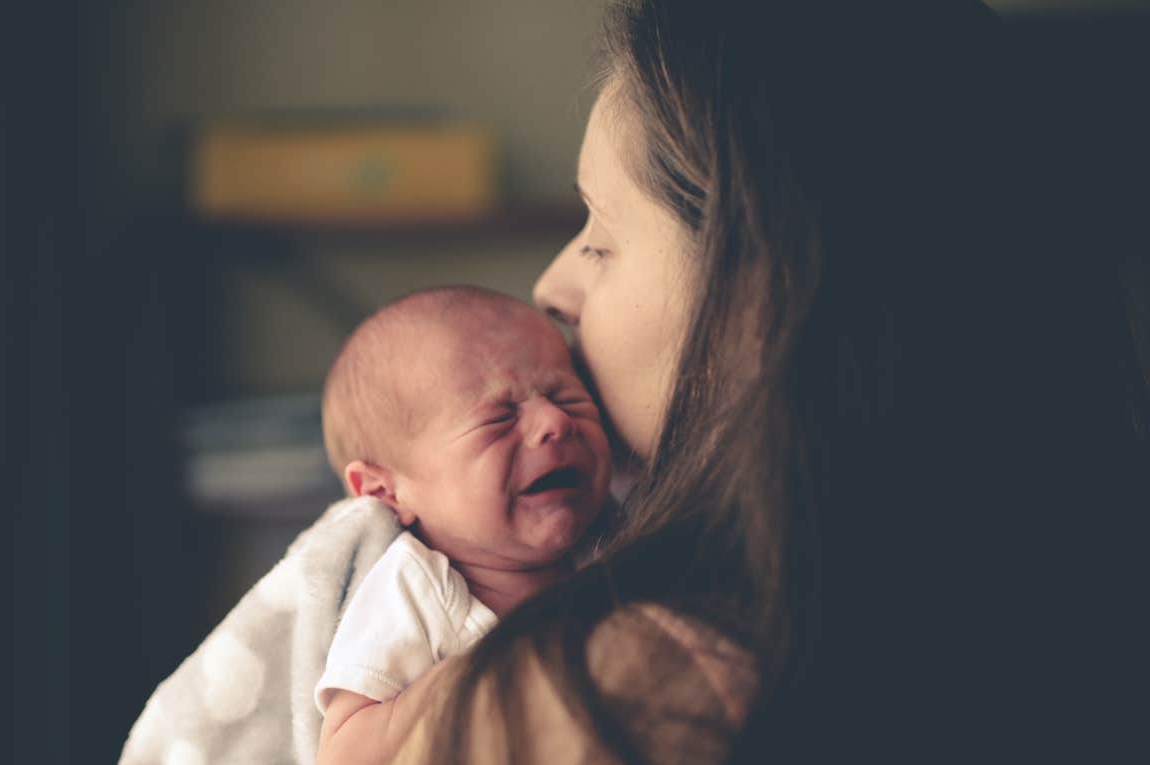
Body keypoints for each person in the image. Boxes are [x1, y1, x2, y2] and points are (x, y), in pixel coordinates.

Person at [377, 1, 1149, 763]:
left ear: (756, 297)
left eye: (602, 241)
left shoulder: (601, 698)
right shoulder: (1085, 605)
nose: (548, 288)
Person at [314, 287, 614, 765]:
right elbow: (345, 754)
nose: (554, 421)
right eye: (499, 417)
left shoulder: (617, 544)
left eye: (567, 396)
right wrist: (478, 673)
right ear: (384, 492)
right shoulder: (415, 589)